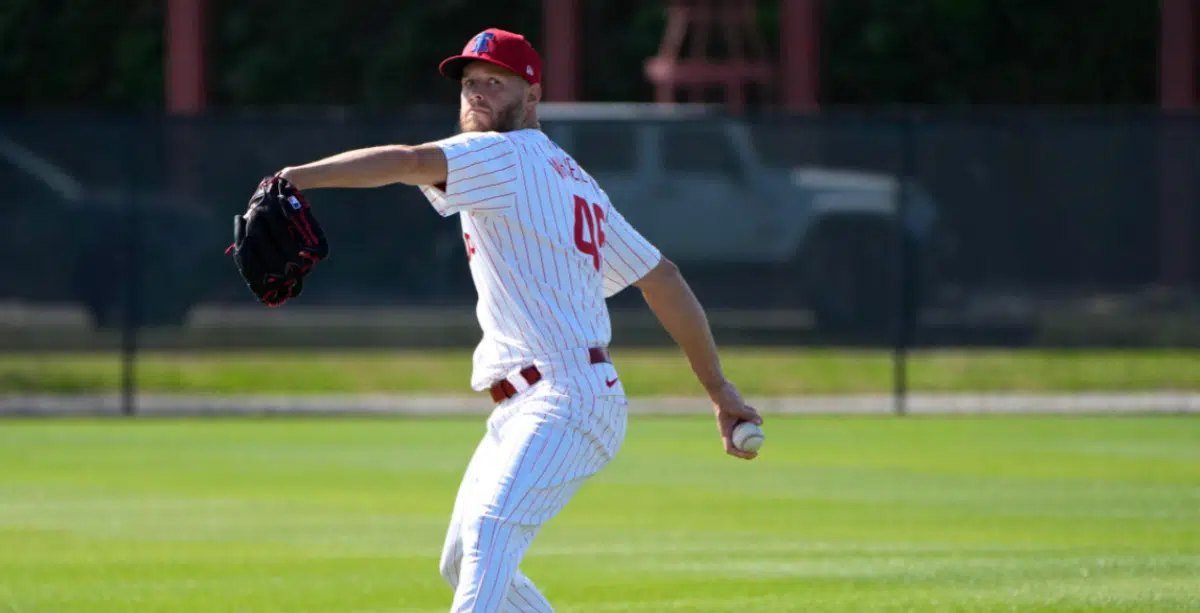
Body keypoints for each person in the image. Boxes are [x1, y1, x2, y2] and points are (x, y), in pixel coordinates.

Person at [273, 27, 763, 613]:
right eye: (469, 83)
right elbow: (662, 278)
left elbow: (406, 162)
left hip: (564, 397)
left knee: (489, 533)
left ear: (531, 95)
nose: (475, 94)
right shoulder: (573, 179)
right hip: (542, 401)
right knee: (462, 559)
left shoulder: (501, 155)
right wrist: (719, 388)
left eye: (493, 83)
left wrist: (294, 178)